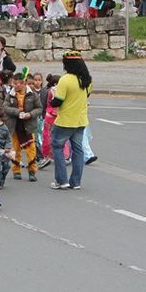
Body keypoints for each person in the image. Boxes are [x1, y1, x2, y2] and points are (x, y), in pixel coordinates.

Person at [49, 50, 92, 190]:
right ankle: (76, 182)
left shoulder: (65, 80)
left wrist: (52, 98)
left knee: (57, 147)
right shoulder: (87, 80)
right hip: (81, 120)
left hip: (65, 121)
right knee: (78, 151)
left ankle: (61, 180)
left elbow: (58, 101)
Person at [1, 69, 41, 182]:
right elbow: (5, 107)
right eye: (14, 83)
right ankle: (16, 170)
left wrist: (30, 114)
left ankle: (32, 171)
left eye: (17, 83)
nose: (15, 85)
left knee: (31, 149)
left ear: (23, 83)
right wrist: (16, 112)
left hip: (28, 125)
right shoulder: (10, 95)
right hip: (15, 125)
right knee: (16, 148)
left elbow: (39, 108)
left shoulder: (32, 95)